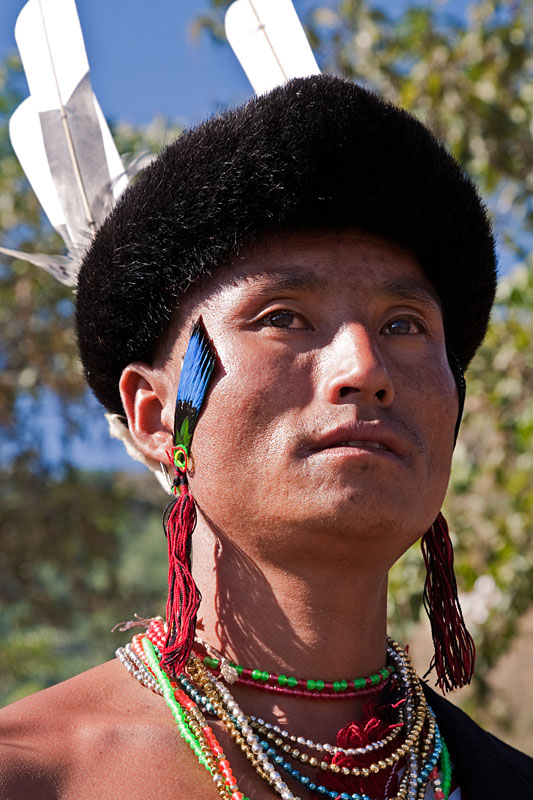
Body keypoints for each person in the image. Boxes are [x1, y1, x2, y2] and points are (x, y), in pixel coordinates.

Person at [0, 75, 531, 800]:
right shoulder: (29, 774)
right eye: (283, 316)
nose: (365, 369)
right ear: (157, 417)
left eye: (403, 325)